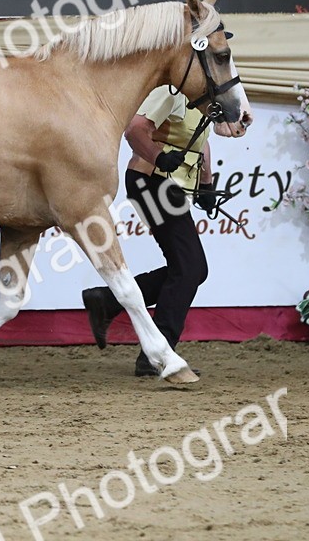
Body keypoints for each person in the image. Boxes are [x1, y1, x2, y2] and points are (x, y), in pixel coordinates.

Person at [82, 84, 223, 376]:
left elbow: (201, 141)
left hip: (169, 185)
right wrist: (159, 157)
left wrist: (207, 183)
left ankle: (108, 301)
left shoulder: (199, 98)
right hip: (150, 181)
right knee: (189, 268)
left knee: (193, 270)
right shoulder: (170, 92)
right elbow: (135, 129)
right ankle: (157, 353)